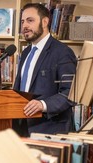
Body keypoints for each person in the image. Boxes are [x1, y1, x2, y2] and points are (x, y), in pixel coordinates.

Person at [13, 3, 77, 137]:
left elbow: (71, 92)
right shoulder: (25, 53)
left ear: (45, 22)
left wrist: (43, 104)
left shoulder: (62, 52)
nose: (24, 26)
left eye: (30, 20)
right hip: (22, 129)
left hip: (50, 130)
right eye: (23, 21)